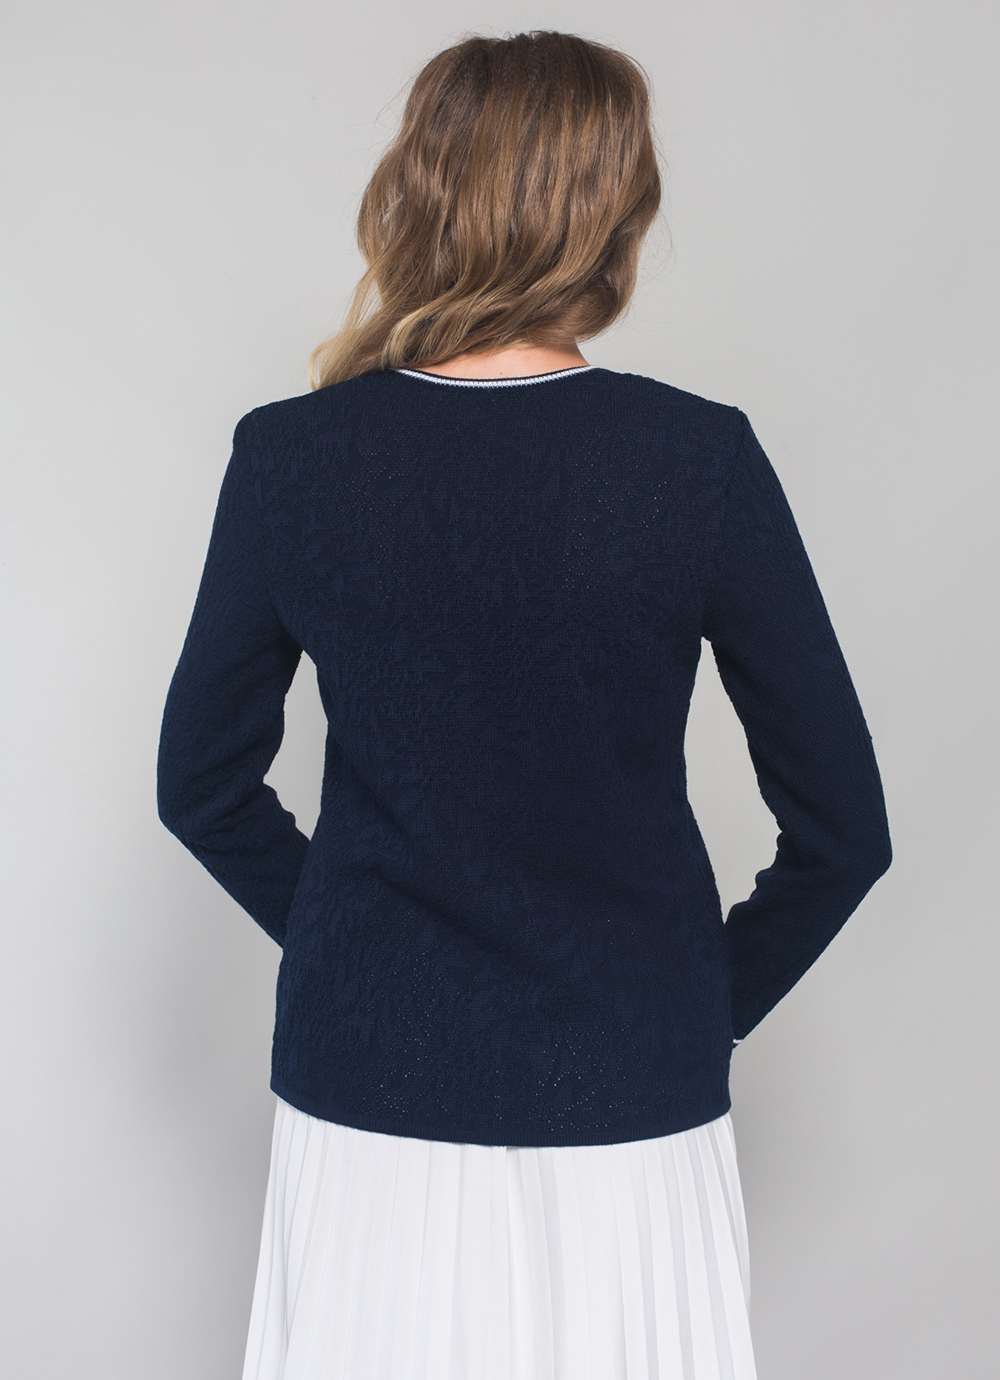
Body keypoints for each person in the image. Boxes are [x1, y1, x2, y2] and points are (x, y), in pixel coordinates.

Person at [156, 29, 891, 1380]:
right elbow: (845, 832)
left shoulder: (292, 458)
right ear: (616, 214)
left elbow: (200, 785)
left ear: (417, 191)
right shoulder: (698, 459)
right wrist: (690, 1002)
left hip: (367, 1089)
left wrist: (355, 951)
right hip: (633, 1092)